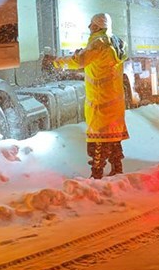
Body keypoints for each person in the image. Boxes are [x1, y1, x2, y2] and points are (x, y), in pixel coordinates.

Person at [54, 13, 129, 178]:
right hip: (115, 100)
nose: (89, 27)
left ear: (97, 26)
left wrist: (56, 62)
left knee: (98, 140)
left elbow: (79, 61)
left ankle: (96, 174)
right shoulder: (115, 42)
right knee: (113, 137)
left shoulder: (98, 44)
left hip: (100, 100)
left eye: (91, 24)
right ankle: (117, 168)